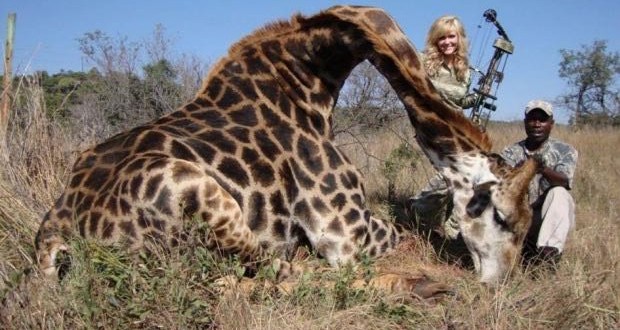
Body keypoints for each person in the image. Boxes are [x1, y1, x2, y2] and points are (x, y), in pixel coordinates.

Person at [409, 15, 478, 239]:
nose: (447, 42)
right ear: (434, 40)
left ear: (459, 38)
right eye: (442, 38)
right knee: (454, 173)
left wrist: (476, 98)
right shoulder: (423, 60)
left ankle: (430, 216)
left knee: (466, 174)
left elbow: (460, 101)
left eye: (452, 36)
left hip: (455, 129)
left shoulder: (463, 68)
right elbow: (420, 86)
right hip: (429, 126)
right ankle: (426, 213)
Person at [501, 100, 578, 269]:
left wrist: (539, 167)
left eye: (542, 120)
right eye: (532, 119)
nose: (536, 124)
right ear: (525, 122)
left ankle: (548, 258)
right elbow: (502, 185)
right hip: (516, 219)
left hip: (544, 219)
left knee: (559, 193)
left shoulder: (565, 151)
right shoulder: (510, 152)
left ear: (551, 124)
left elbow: (564, 181)